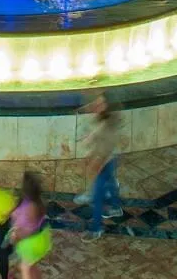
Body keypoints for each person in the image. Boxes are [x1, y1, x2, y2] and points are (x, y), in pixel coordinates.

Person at [78, 95, 124, 242]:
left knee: (98, 196)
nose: (95, 106)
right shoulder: (100, 119)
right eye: (95, 103)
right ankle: (116, 208)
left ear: (106, 106)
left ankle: (96, 229)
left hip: (105, 161)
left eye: (100, 104)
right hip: (105, 159)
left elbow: (106, 149)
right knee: (111, 183)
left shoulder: (108, 125)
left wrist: (96, 163)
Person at [9, 172, 50, 279]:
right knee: (32, 265)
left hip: (31, 244)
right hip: (40, 240)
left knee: (25, 268)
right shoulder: (37, 202)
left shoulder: (30, 208)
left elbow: (28, 230)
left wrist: (16, 235)